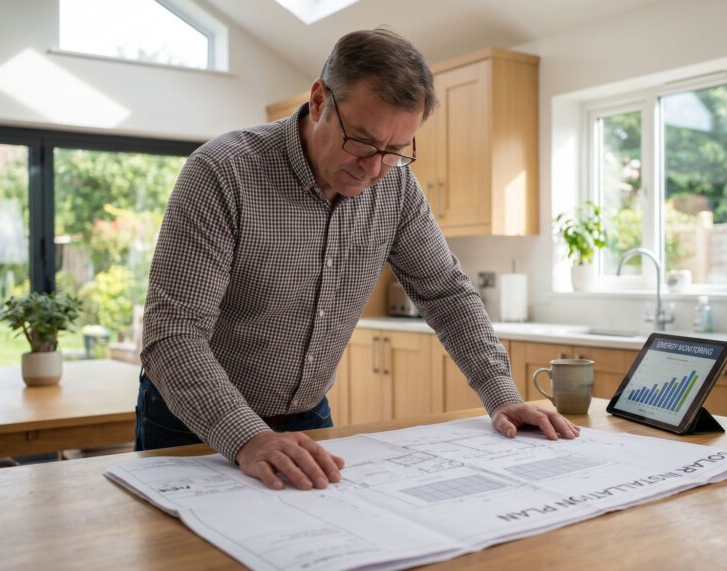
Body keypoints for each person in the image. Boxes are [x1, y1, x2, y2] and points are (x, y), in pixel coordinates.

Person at [136, 28, 579, 492]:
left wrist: (501, 395)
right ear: (318, 101)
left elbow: (446, 294)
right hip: (193, 423)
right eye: (362, 142)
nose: (373, 168)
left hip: (307, 421)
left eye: (393, 151)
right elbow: (173, 333)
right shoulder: (222, 172)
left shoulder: (396, 187)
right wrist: (248, 436)